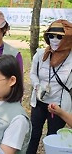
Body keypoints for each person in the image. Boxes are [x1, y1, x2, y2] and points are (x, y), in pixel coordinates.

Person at [27, 20, 72, 154]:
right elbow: (33, 73)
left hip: (58, 106)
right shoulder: (41, 54)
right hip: (39, 101)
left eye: (59, 36)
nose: (54, 39)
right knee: (33, 134)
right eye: (51, 36)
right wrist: (37, 85)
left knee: (53, 137)